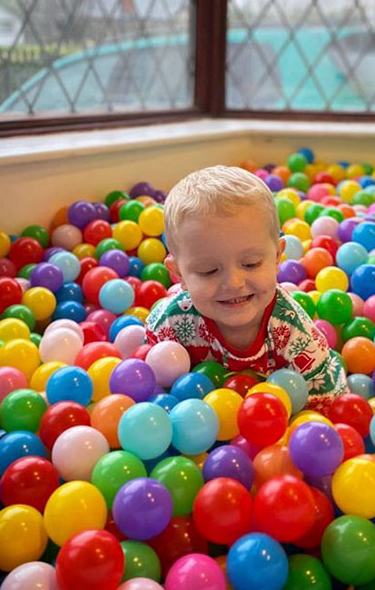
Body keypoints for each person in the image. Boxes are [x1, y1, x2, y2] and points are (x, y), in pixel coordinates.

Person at [145, 165, 348, 414]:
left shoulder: (294, 334)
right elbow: (153, 379)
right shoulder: (172, 322)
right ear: (178, 275)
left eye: (251, 264)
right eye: (209, 270)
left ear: (277, 258)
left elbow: (327, 400)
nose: (234, 283)